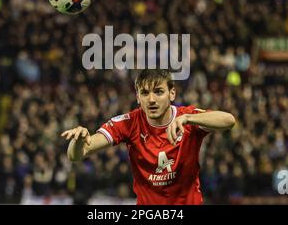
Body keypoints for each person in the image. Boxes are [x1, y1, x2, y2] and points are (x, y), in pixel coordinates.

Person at [61, 69, 236, 205]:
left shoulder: (187, 117)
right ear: (138, 97)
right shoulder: (129, 123)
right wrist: (78, 141)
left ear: (172, 94)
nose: (151, 99)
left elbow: (228, 120)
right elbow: (76, 154)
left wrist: (189, 119)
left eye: (158, 92)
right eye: (144, 93)